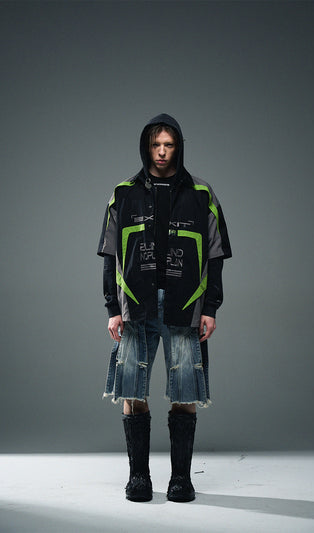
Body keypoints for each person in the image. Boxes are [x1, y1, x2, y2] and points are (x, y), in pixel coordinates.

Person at [97, 113, 231, 502]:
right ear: (146, 147)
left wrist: (211, 307)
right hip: (135, 305)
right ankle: (138, 478)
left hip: (184, 305)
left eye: (168, 145)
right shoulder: (123, 194)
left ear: (178, 148)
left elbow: (216, 256)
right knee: (132, 389)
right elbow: (109, 255)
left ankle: (181, 480)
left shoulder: (202, 194)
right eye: (155, 145)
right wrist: (112, 307)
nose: (161, 152)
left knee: (185, 390)